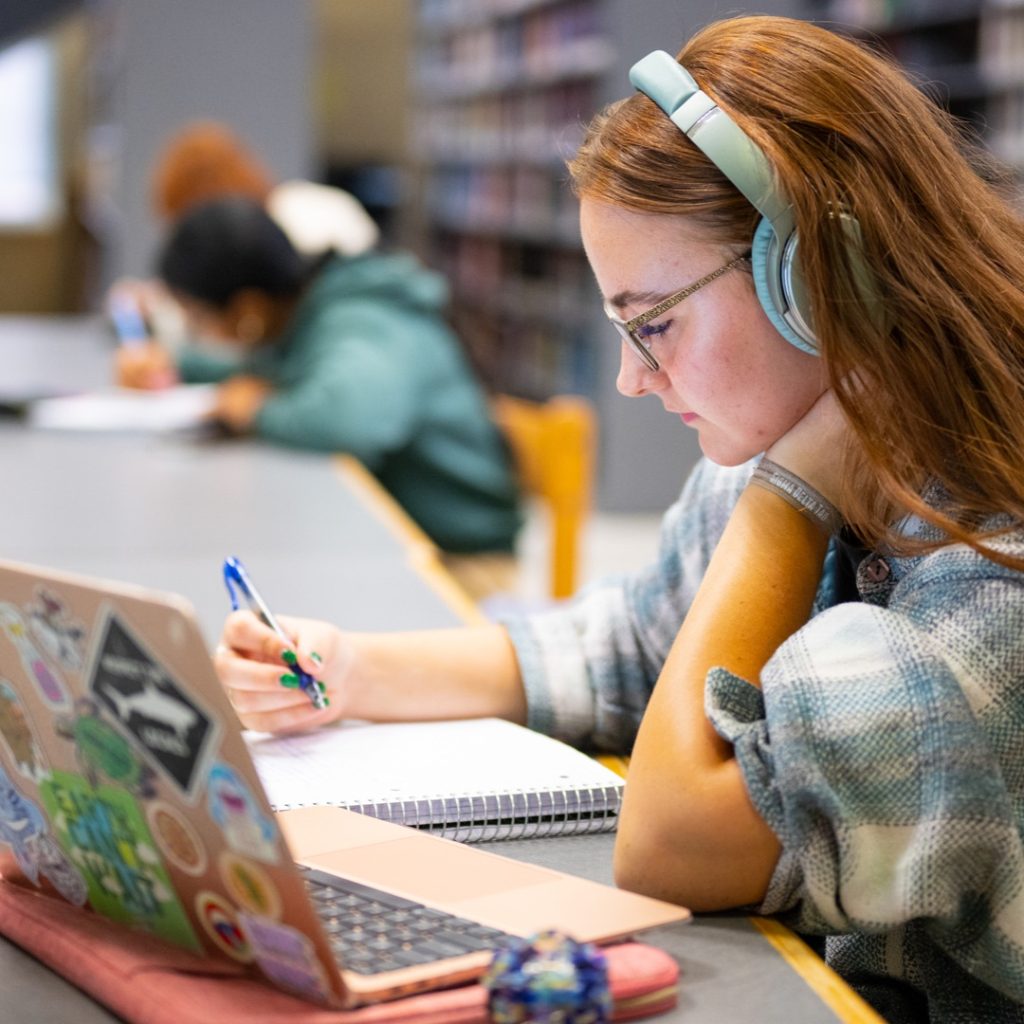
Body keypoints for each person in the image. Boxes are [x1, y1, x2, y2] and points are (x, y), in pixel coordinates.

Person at [211, 15, 1024, 1022]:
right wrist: (348, 668)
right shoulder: (775, 456)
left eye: (654, 323)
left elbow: (674, 844)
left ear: (816, 279)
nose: (633, 380)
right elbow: (629, 645)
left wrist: (788, 501)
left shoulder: (993, 580)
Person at [127, 196, 522, 578]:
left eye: (199, 319)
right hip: (399, 541)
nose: (199, 333)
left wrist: (256, 412)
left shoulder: (361, 320)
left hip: (462, 560)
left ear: (248, 310)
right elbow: (273, 366)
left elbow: (352, 422)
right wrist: (178, 365)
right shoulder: (310, 315)